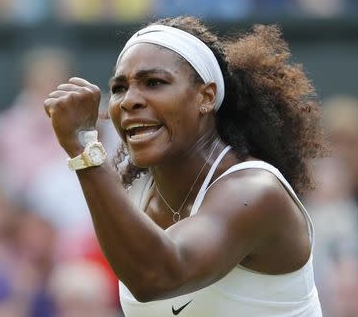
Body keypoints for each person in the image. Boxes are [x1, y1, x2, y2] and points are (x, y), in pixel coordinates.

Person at [44, 16, 324, 316]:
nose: (129, 101)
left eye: (154, 82)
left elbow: (157, 276)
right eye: (120, 88)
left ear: (206, 96)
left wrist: (85, 147)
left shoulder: (255, 192)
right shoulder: (136, 194)